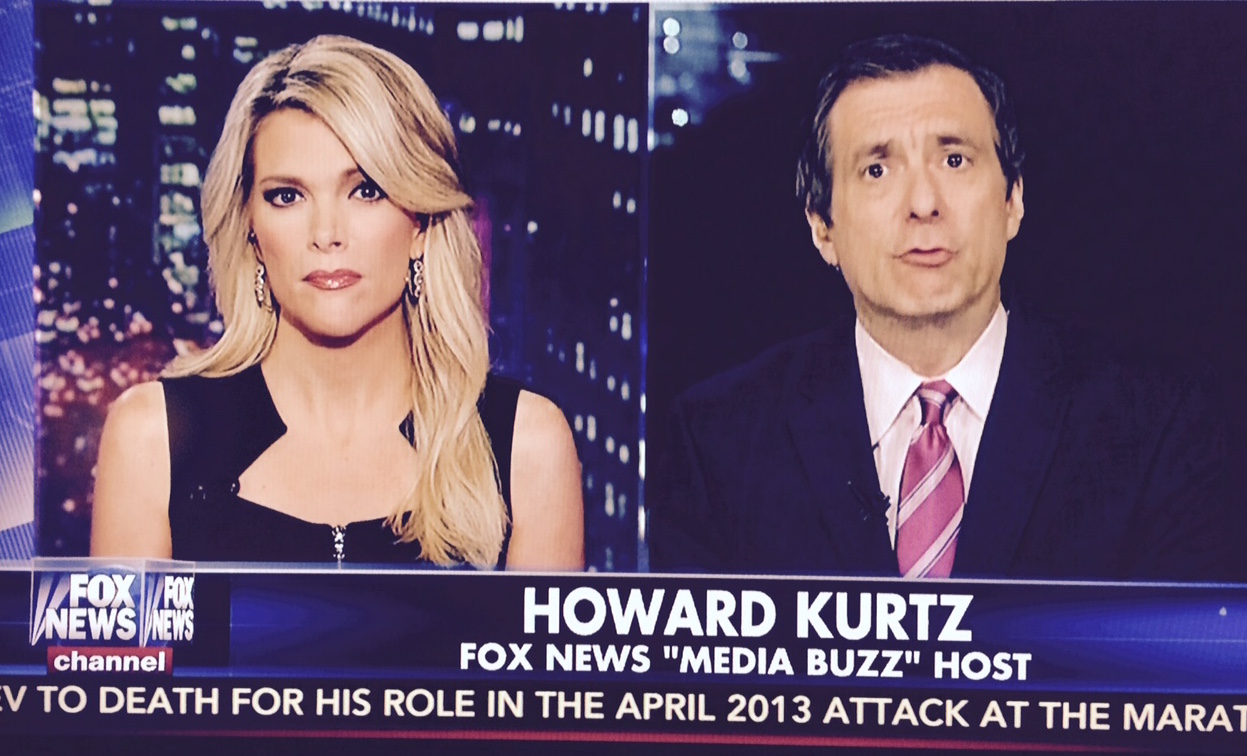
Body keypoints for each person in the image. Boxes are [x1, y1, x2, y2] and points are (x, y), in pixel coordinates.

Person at [649, 34, 1238, 581]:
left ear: (1012, 201)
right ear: (822, 227)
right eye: (877, 169)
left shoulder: (1155, 431)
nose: (924, 203)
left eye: (954, 160)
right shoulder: (717, 443)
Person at [91, 35, 584, 569]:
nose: (326, 234)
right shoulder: (154, 439)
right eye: (287, 196)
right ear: (251, 228)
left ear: (420, 223)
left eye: (365, 190)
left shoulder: (527, 446)